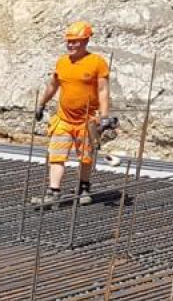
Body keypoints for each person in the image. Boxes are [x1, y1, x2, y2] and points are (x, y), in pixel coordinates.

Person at [32, 20, 114, 209]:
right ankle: (54, 191)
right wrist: (41, 103)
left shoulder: (97, 63)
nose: (70, 45)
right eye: (68, 41)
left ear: (85, 41)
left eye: (75, 41)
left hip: (87, 119)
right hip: (64, 119)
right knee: (56, 154)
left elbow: (103, 90)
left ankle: (84, 188)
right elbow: (53, 85)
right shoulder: (62, 62)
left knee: (85, 156)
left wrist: (104, 116)